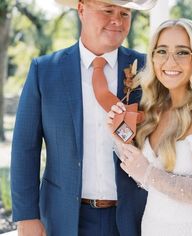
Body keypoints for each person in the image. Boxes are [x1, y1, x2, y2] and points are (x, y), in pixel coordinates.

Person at [10, 0, 158, 235]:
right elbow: (25, 148)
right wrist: (27, 215)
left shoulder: (148, 69)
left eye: (124, 13)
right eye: (108, 10)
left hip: (134, 218)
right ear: (81, 9)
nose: (117, 21)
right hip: (64, 218)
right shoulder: (44, 70)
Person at [108, 18, 192, 236]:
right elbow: (150, 179)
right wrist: (119, 135)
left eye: (182, 52)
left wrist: (147, 173)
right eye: (162, 51)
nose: (170, 61)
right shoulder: (156, 108)